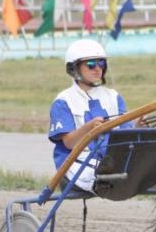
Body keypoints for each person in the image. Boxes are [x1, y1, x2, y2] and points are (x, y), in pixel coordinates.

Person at [48, 38, 133, 192]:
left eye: (101, 63)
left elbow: (127, 133)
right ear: (74, 68)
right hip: (76, 164)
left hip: (112, 161)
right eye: (91, 65)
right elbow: (68, 143)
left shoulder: (113, 96)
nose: (98, 69)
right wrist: (89, 128)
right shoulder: (63, 101)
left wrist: (140, 125)